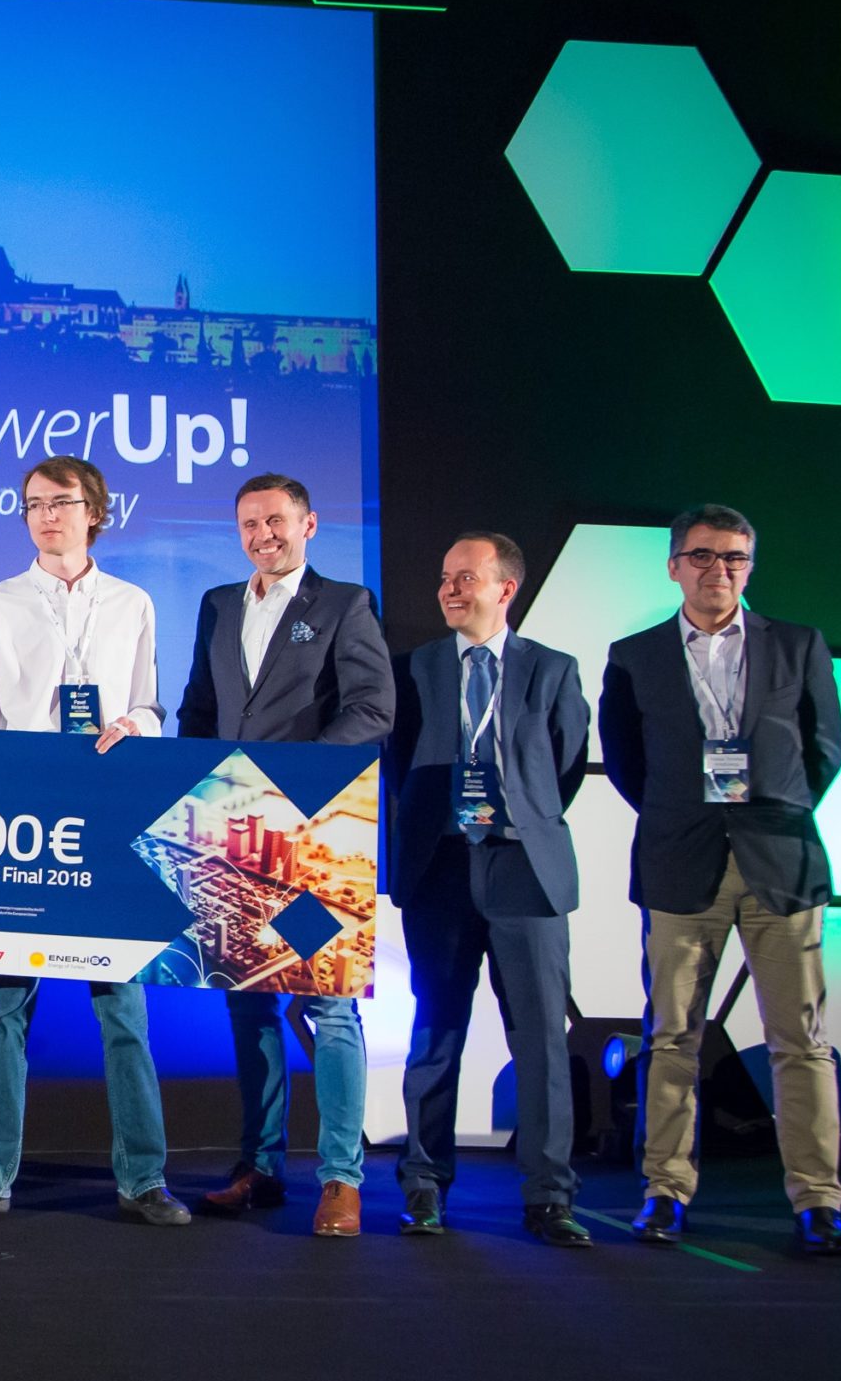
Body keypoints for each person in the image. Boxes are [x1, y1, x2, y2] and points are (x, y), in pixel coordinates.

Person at [600, 504, 841, 1256]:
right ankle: (665, 1190)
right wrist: (687, 816)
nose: (720, 570)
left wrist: (771, 811)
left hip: (781, 863)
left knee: (800, 1041)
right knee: (672, 1037)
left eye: (735, 557)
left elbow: (825, 748)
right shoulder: (634, 655)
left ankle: (818, 1201)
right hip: (681, 864)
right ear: (674, 566)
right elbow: (627, 763)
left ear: (750, 566)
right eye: (704, 556)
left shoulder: (798, 644)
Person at [0, 457, 186, 1227]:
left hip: (107, 826)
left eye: (61, 502)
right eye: (33, 504)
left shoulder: (133, 603)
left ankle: (145, 1177)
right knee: (4, 1006)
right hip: (22, 830)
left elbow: (151, 706)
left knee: (124, 1010)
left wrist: (135, 724)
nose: (46, 515)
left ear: (95, 511)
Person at [176, 471, 393, 1238]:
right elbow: (200, 708)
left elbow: (373, 708)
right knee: (248, 1000)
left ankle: (340, 1178)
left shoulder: (346, 604)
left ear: (308, 524)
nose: (261, 535)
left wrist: (292, 780)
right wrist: (197, 790)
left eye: (275, 521)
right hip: (233, 831)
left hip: (315, 834)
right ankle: (259, 1165)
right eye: (249, 523)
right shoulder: (217, 604)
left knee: (329, 1005)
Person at [385, 533, 592, 1246]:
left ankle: (549, 1196)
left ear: (506, 588)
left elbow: (564, 764)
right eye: (445, 577)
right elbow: (399, 763)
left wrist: (516, 819)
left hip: (524, 868)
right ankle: (423, 1185)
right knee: (435, 1030)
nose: (449, 589)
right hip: (440, 867)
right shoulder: (414, 669)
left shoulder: (553, 669)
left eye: (466, 577)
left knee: (540, 1039)